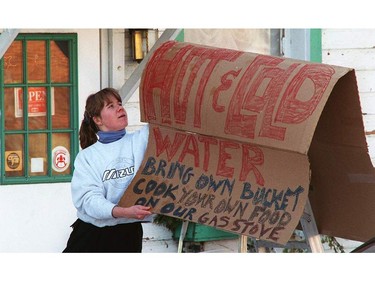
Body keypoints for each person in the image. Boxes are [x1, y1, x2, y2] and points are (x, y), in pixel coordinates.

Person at [63, 87, 152, 253]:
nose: (120, 108)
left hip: (128, 234)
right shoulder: (88, 157)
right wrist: (122, 211)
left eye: (119, 103)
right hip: (91, 235)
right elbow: (88, 199)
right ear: (98, 119)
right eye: (110, 106)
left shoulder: (140, 140)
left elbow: (163, 122)